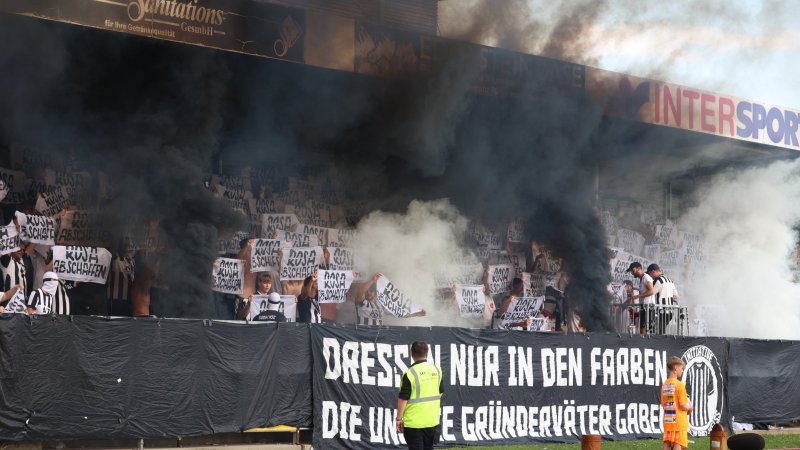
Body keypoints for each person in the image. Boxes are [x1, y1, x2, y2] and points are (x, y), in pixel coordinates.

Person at [396, 341, 443, 450]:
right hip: (431, 420)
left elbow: (403, 399)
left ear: (412, 354)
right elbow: (440, 392)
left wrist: (399, 419)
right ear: (427, 353)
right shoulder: (436, 370)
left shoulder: (410, 373)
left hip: (414, 422)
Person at [661, 356, 693, 450]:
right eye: (682, 368)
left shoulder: (665, 384)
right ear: (676, 368)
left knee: (667, 443)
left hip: (668, 421)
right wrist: (690, 406)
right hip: (679, 422)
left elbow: (664, 405)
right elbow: (683, 406)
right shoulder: (680, 385)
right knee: (677, 444)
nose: (682, 371)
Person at [648, 263, 679, 334]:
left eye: (650, 274)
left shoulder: (658, 281)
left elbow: (651, 293)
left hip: (661, 311)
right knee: (660, 330)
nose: (650, 277)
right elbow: (676, 296)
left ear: (653, 271)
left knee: (658, 332)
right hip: (670, 312)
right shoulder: (670, 280)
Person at [626, 261, 654, 334]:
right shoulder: (642, 279)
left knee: (644, 328)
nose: (632, 273)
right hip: (644, 307)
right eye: (631, 271)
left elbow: (651, 291)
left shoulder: (646, 278)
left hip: (648, 307)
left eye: (633, 270)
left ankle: (644, 343)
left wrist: (637, 296)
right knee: (642, 328)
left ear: (639, 268)